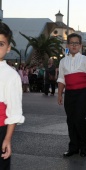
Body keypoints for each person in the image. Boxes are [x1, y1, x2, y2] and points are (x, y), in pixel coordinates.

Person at [57, 33, 86, 157]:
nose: (74, 45)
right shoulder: (63, 61)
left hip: (83, 93)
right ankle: (73, 147)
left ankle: (83, 146)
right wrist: (59, 94)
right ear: (67, 45)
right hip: (69, 93)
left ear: (80, 45)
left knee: (79, 119)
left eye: (76, 43)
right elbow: (61, 79)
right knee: (70, 120)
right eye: (71, 43)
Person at [0, 22, 25, 170]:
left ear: (8, 48)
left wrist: (7, 139)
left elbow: (14, 111)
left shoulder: (11, 75)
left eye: (1, 44)